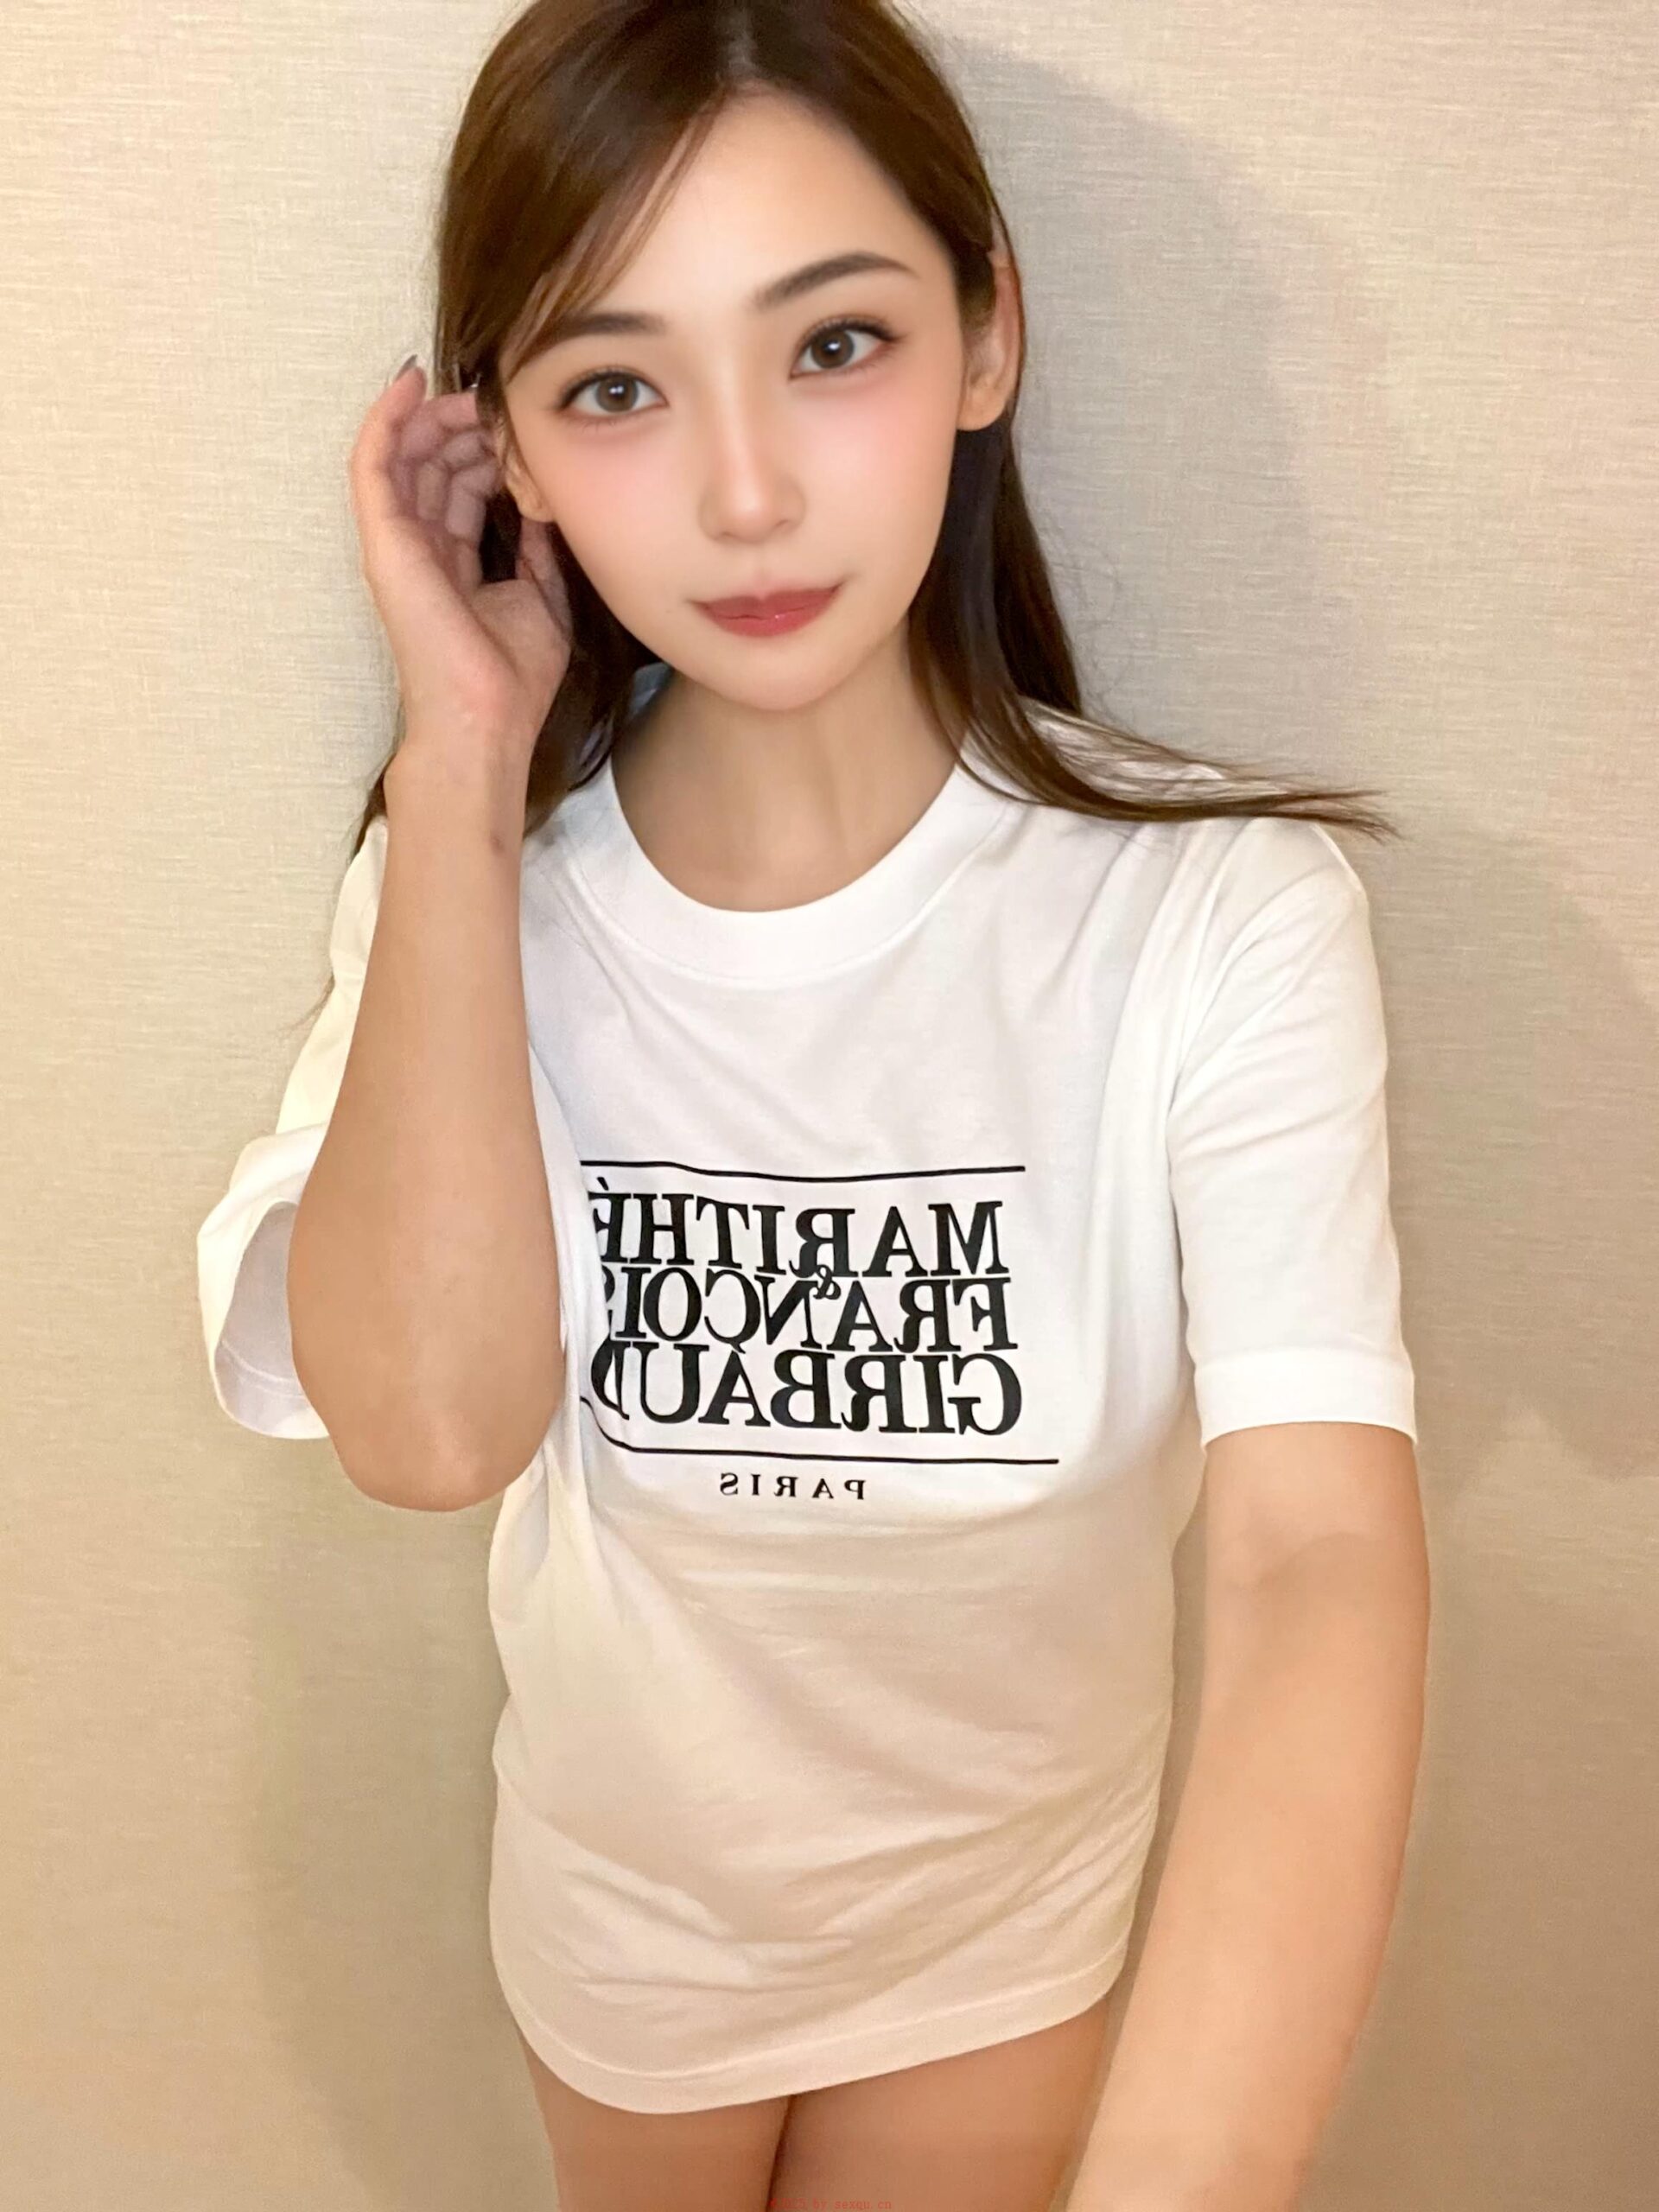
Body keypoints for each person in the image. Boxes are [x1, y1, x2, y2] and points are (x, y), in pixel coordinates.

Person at [195, 3, 1427, 2207]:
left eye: (834, 345)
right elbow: (431, 1432)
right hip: (627, 1933)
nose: (746, 489)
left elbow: (1314, 1553)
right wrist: (458, 763)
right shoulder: (473, 893)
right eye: (617, 388)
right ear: (512, 453)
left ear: (985, 334)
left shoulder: (1217, 919)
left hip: (1003, 1941)